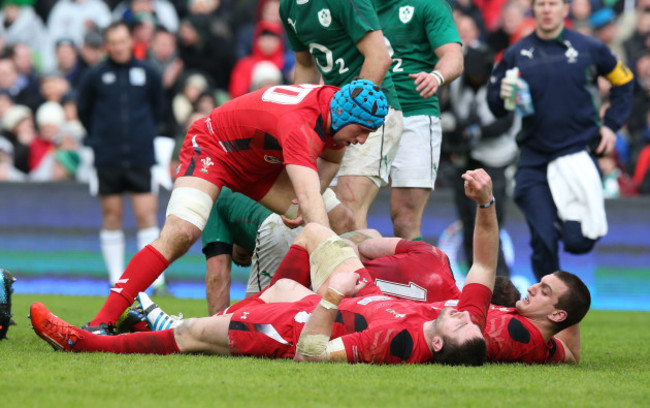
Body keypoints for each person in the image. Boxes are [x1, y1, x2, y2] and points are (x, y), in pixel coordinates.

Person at [30, 168, 497, 366]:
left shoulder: (393, 340)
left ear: (436, 343)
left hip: (309, 321)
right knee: (316, 232)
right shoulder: (454, 307)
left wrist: (334, 294)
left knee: (194, 332)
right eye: (467, 318)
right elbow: (481, 266)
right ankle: (165, 317)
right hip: (331, 294)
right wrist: (487, 203)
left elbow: (312, 355)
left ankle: (88, 342)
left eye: (459, 325)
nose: (462, 314)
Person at [80, 78, 389, 335]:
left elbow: (331, 160)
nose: (362, 140)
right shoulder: (301, 124)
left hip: (261, 165)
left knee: (343, 219)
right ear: (345, 116)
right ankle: (101, 321)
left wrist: (302, 202)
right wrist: (310, 213)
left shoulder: (337, 111)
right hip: (215, 148)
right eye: (361, 131)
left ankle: (368, 314)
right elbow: (313, 213)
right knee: (181, 234)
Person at [486, 0, 634, 281]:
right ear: (534, 10)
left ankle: (561, 223)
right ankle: (550, 310)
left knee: (578, 242)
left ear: (565, 9)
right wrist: (502, 96)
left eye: (553, 3)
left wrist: (612, 126)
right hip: (533, 160)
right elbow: (495, 106)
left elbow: (624, 81)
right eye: (540, 4)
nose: (547, 9)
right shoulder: (517, 53)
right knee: (543, 242)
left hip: (576, 155)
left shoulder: (589, 48)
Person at [279, 0, 404, 230]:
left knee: (348, 207)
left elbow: (379, 58)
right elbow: (305, 65)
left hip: (369, 118)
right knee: (330, 211)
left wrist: (350, 116)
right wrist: (299, 120)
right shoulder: (287, 6)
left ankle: (361, 266)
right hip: (333, 118)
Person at [77, 21, 169, 294]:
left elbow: (160, 111)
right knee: (111, 215)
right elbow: (84, 112)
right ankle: (117, 280)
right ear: (107, 45)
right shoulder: (95, 75)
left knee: (146, 216)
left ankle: (154, 281)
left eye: (122, 40)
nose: (118, 47)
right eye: (113, 42)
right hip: (108, 157)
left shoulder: (149, 72)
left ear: (131, 41)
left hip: (141, 156)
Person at [372, 0, 463, 240]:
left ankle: (411, 276)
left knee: (404, 219)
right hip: (364, 115)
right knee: (345, 211)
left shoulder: (429, 4)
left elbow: (454, 55)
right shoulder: (355, 5)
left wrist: (436, 76)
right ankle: (354, 276)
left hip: (415, 113)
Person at [201, 186, 352, 315]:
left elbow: (217, 275)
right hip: (312, 217)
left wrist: (213, 325)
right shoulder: (295, 175)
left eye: (242, 254)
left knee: (250, 319)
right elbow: (345, 220)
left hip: (278, 227)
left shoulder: (215, 198)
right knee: (306, 306)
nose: (250, 254)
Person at [444, 43, 519, 276]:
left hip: (496, 159)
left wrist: (474, 132)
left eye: (479, 76)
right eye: (472, 76)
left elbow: (505, 123)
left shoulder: (506, 83)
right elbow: (448, 110)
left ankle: (501, 285)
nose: (475, 80)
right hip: (467, 159)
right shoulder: (457, 82)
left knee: (491, 225)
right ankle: (474, 282)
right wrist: (457, 132)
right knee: (468, 225)